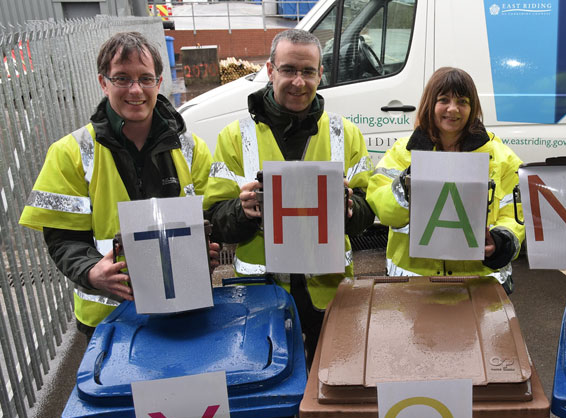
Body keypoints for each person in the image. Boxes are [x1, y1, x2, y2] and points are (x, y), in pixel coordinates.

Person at [19, 31, 216, 337]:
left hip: (183, 305)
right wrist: (91, 270)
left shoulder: (191, 148)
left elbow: (211, 216)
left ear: (159, 83)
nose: (135, 90)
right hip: (108, 319)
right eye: (122, 78)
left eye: (145, 78)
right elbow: (62, 238)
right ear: (104, 83)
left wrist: (207, 248)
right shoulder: (70, 153)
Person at [203, 29, 373, 366]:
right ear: (270, 70)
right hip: (261, 293)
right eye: (288, 70)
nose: (299, 81)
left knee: (331, 384)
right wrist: (242, 210)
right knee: (269, 384)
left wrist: (351, 209)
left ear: (320, 75)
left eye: (308, 71)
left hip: (329, 291)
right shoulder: (235, 137)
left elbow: (369, 212)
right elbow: (216, 220)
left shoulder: (345, 133)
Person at [366, 67, 524, 293]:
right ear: (430, 104)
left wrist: (501, 242)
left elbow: (516, 215)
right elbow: (382, 207)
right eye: (443, 100)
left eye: (462, 101)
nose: (453, 109)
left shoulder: (501, 158)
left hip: (480, 286)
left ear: (473, 108)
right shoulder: (403, 153)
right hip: (414, 285)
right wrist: (406, 186)